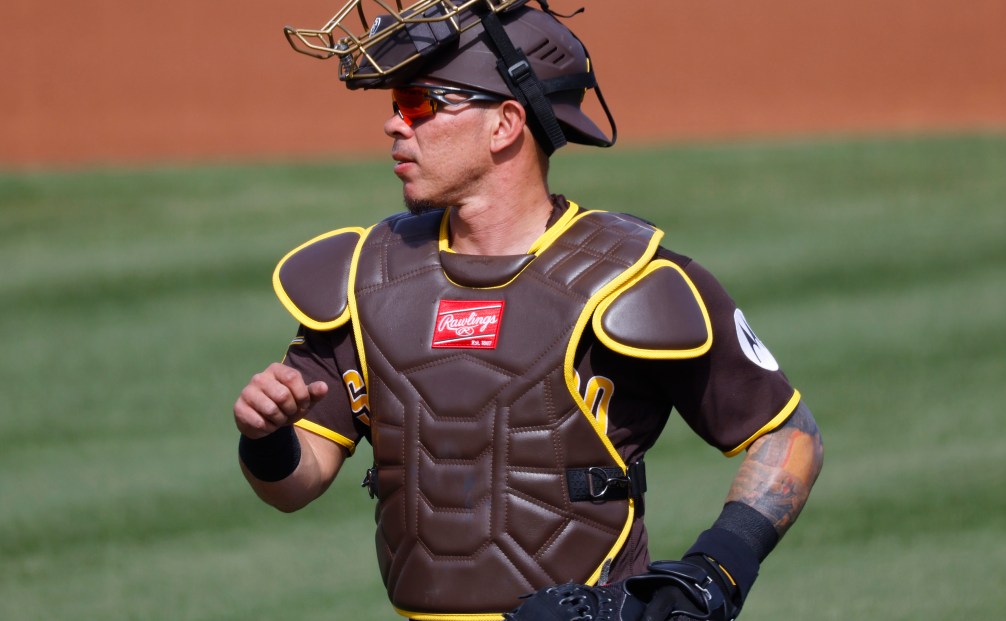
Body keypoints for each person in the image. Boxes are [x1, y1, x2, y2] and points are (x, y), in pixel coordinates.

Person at [233, 2, 823, 620]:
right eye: (395, 106)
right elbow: (293, 487)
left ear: (505, 123)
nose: (394, 125)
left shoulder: (628, 280)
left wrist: (714, 572)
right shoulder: (371, 275)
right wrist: (267, 436)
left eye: (418, 104)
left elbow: (788, 435)